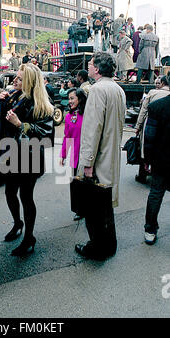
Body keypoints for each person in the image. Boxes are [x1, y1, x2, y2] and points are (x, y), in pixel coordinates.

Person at [0, 63, 54, 256]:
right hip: (10, 153)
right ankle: (17, 223)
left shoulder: (41, 103)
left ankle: (29, 237)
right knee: (10, 192)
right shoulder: (12, 96)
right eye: (15, 78)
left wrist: (21, 125)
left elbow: (46, 134)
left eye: (19, 78)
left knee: (26, 197)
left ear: (28, 81)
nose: (14, 81)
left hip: (30, 155)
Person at [75, 52, 126, 260]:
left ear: (97, 69)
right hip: (111, 153)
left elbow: (91, 131)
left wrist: (87, 162)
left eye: (90, 63)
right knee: (106, 205)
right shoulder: (118, 89)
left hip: (98, 157)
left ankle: (96, 248)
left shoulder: (97, 90)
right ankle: (109, 245)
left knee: (93, 207)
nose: (88, 66)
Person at [142, 72, 170, 245]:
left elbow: (149, 137)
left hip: (161, 159)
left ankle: (150, 229)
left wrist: (147, 159)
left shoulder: (157, 107)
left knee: (156, 193)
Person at [135, 75, 170, 184]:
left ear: (163, 83)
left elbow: (143, 111)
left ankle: (143, 175)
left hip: (150, 125)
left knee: (145, 150)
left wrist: (138, 126)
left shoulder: (152, 93)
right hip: (165, 130)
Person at [59, 88, 87, 221]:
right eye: (69, 99)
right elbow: (67, 137)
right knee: (76, 184)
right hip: (75, 157)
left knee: (88, 184)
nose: (69, 101)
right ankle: (79, 210)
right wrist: (63, 155)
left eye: (72, 98)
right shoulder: (69, 116)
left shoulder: (88, 114)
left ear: (80, 99)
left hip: (87, 155)